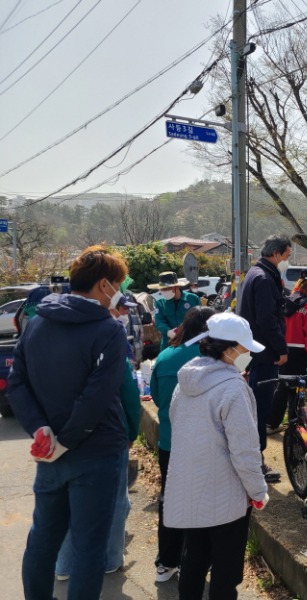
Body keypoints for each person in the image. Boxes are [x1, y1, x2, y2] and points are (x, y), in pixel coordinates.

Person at [8, 245, 130, 600]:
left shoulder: (38, 321)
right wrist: (68, 439)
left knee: (43, 540)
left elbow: (18, 383)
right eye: (118, 284)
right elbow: (97, 397)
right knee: (89, 547)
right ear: (104, 285)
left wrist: (41, 430)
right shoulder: (108, 330)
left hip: (49, 454)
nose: (118, 292)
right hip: (95, 452)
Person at [164, 312, 269, 600]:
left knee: (193, 561)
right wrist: (258, 491)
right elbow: (245, 450)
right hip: (225, 496)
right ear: (230, 348)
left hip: (191, 488)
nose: (247, 354)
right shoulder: (233, 387)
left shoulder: (185, 381)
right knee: (226, 571)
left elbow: (177, 425)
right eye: (245, 348)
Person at [54, 295, 143, 581]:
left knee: (67, 500)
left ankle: (64, 565)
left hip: (61, 433)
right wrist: (132, 431)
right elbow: (129, 392)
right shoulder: (110, 336)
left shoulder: (50, 329)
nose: (123, 315)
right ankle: (109, 559)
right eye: (120, 309)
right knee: (114, 501)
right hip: (105, 435)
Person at [149, 306, 215, 583]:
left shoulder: (164, 357)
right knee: (203, 503)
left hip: (169, 443)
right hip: (204, 444)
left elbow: (154, 397)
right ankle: (197, 562)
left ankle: (166, 562)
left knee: (171, 500)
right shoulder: (213, 360)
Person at [237, 235, 292, 484]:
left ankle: (253, 459)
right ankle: (256, 463)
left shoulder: (255, 273)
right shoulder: (264, 278)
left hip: (254, 351)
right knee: (259, 408)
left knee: (254, 407)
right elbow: (267, 320)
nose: (286, 262)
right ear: (277, 254)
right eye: (287, 256)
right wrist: (281, 349)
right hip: (265, 353)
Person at [269, 269, 307, 430]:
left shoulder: (286, 302)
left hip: (284, 353)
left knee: (286, 389)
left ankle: (275, 423)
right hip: (303, 356)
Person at [150, 271, 200, 350]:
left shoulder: (193, 299)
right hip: (169, 344)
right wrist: (168, 332)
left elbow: (200, 319)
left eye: (168, 288)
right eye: (163, 289)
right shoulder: (160, 304)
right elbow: (159, 321)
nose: (165, 291)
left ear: (177, 287)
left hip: (190, 342)